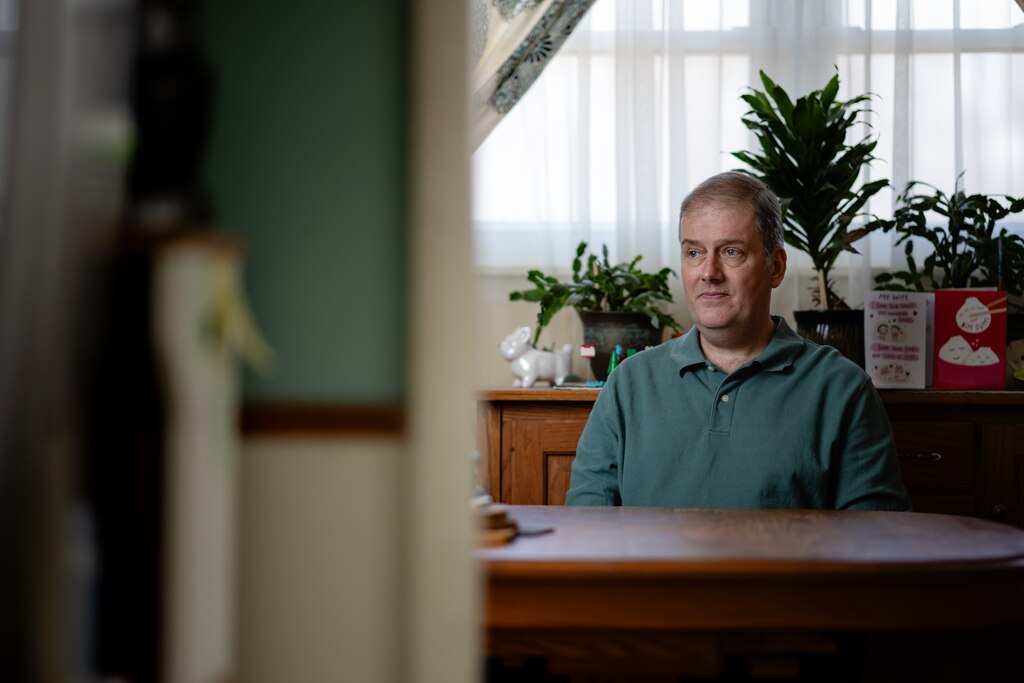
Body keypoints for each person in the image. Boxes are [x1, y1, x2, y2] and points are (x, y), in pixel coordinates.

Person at [565, 171, 910, 510]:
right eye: (694, 252)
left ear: (775, 266)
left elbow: (874, 548)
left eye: (731, 252)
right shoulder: (628, 384)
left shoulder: (842, 389)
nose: (709, 273)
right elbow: (586, 534)